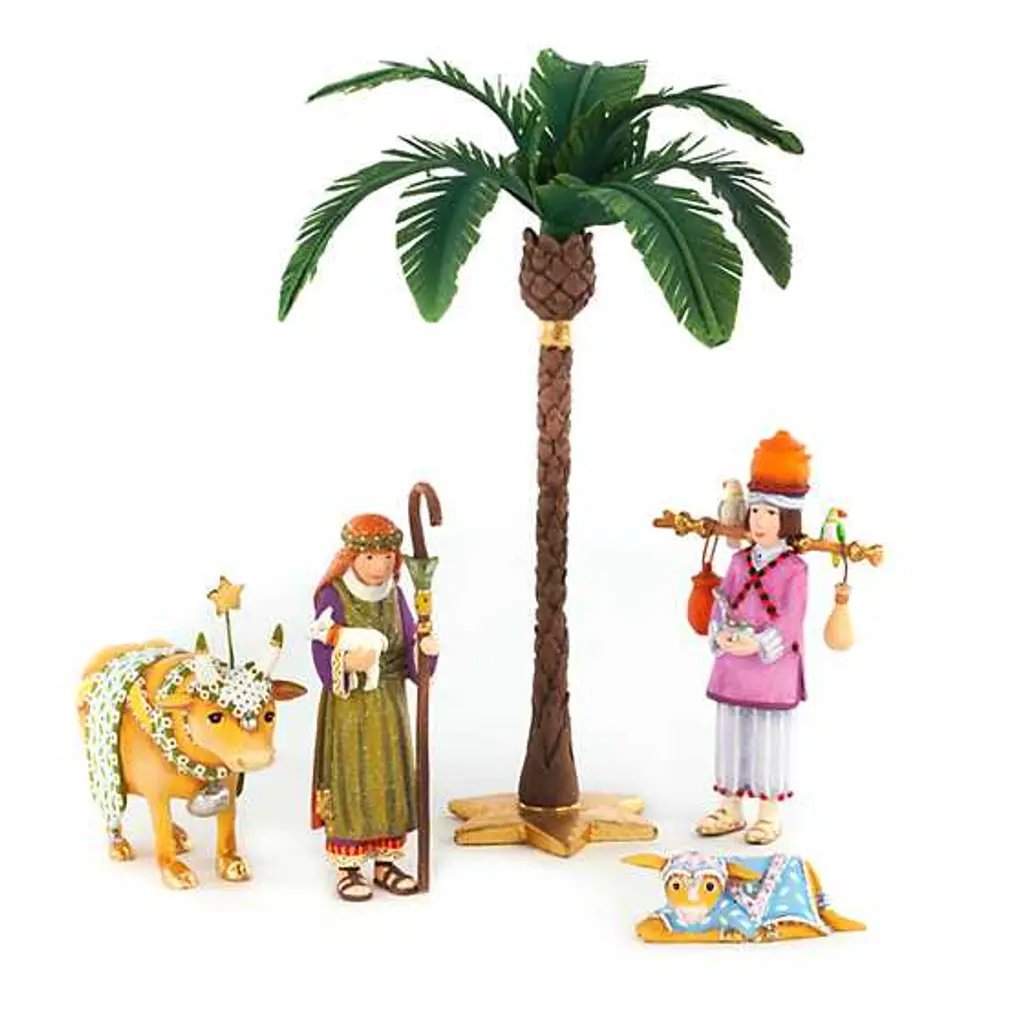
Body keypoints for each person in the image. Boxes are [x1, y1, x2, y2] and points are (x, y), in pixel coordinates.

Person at [309, 513, 438, 901]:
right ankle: (349, 866)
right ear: (352, 557)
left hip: (390, 705)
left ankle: (385, 861)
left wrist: (425, 652)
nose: (379, 566)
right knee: (352, 776)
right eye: (369, 558)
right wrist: (347, 663)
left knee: (389, 777)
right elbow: (320, 644)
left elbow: (410, 646)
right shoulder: (335, 595)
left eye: (387, 557)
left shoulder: (395, 596)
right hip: (350, 708)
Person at [696, 431, 809, 845]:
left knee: (768, 740)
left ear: (787, 520)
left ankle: (768, 813)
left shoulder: (795, 569)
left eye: (770, 513)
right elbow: (722, 601)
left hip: (771, 671)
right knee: (731, 736)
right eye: (756, 511)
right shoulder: (739, 562)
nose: (759, 521)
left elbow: (792, 620)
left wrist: (760, 643)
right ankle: (729, 807)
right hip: (732, 668)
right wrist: (721, 632)